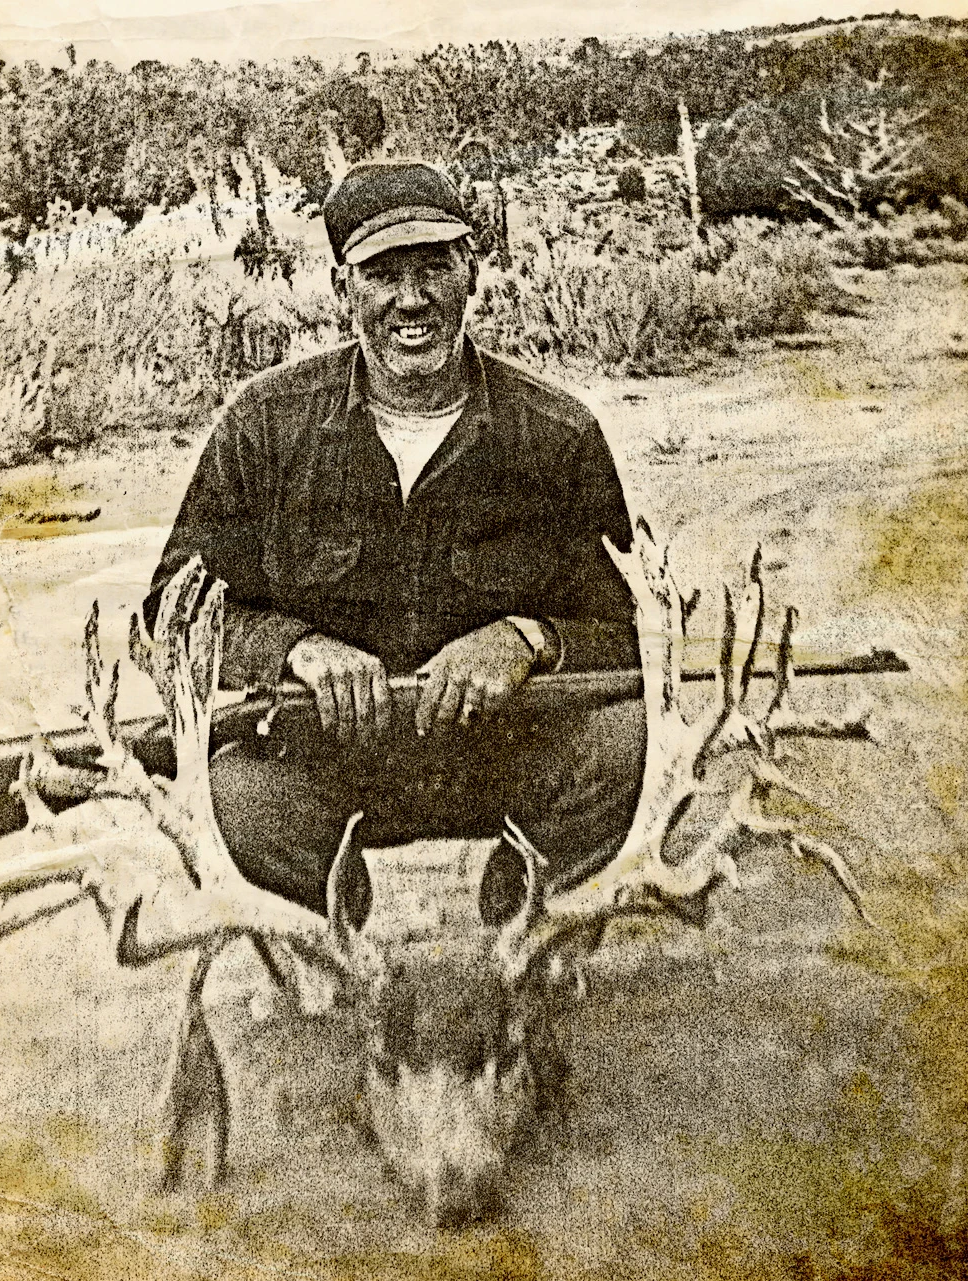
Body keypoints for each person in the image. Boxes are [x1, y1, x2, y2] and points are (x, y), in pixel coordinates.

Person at [145, 160, 646, 926]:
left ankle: (528, 911)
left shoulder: (556, 434)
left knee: (627, 740)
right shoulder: (264, 427)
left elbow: (623, 639)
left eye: (434, 267)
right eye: (382, 274)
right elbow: (166, 622)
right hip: (326, 765)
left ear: (472, 272)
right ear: (342, 287)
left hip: (502, 755)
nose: (411, 301)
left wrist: (526, 639)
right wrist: (295, 650)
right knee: (233, 794)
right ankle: (332, 935)